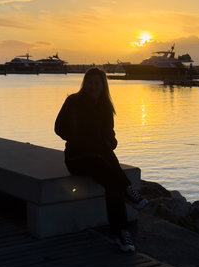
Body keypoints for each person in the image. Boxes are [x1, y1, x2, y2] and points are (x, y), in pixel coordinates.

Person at [55, 67, 147, 252]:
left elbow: (109, 136)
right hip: (76, 157)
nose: (93, 86)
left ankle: (121, 232)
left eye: (97, 83)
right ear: (84, 83)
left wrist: (111, 141)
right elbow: (59, 128)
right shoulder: (73, 101)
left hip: (101, 156)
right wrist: (79, 138)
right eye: (90, 82)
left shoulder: (105, 106)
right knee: (102, 158)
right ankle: (128, 190)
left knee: (111, 181)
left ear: (103, 85)